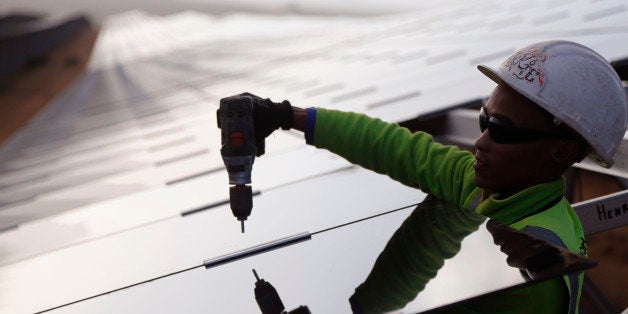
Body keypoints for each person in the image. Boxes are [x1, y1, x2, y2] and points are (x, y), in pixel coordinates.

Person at [224, 40, 627, 313]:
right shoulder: (490, 183)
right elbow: (393, 148)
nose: (481, 143)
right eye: (485, 121)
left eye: (502, 130)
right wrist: (283, 115)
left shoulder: (538, 279)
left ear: (559, 151)